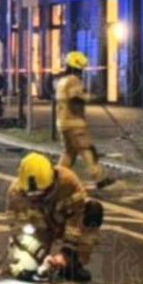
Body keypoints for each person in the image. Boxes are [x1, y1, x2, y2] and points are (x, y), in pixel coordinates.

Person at [5, 152, 103, 283]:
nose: (36, 198)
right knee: (24, 271)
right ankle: (33, 263)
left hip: (63, 223)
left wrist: (67, 253)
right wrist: (38, 253)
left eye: (41, 193)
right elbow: (17, 229)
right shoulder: (15, 194)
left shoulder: (68, 182)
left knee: (92, 210)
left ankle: (72, 264)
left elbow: (77, 216)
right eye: (31, 195)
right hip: (38, 230)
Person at [55, 51, 115, 189]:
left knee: (69, 152)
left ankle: (57, 178)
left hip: (62, 122)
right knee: (86, 149)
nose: (82, 71)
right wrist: (92, 98)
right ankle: (98, 177)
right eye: (81, 68)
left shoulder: (62, 81)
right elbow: (75, 97)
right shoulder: (73, 80)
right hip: (74, 122)